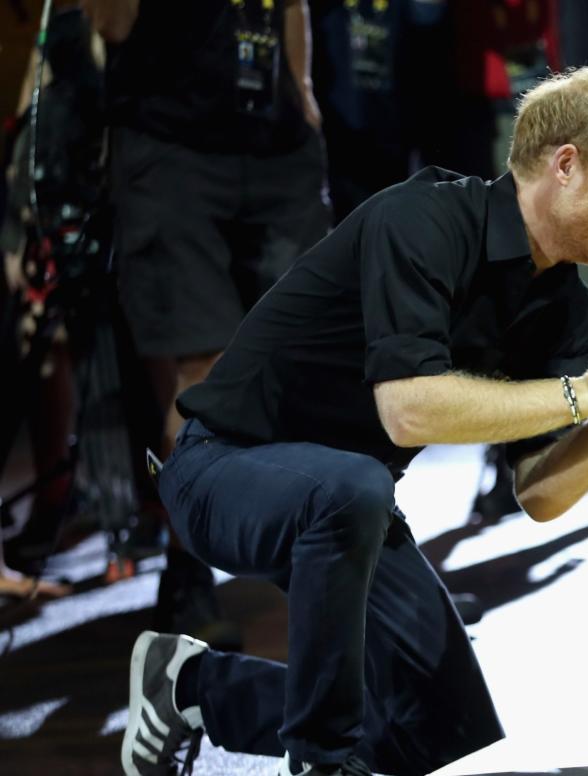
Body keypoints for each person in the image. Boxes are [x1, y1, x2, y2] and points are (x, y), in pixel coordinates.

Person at [120, 67, 588, 776]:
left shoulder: (564, 308)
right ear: (566, 166)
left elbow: (541, 497)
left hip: (345, 502)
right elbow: (407, 409)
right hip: (220, 471)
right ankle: (321, 765)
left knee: (436, 725)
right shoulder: (422, 219)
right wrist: (587, 390)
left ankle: (191, 687)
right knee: (353, 488)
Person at [83, 0, 332, 638]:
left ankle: (342, 570)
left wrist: (300, 90)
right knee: (204, 369)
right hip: (172, 143)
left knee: (307, 363)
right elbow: (108, 23)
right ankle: (187, 573)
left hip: (274, 143)